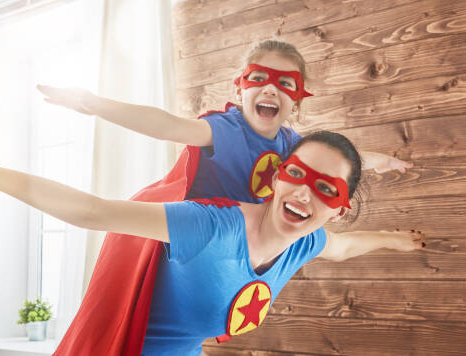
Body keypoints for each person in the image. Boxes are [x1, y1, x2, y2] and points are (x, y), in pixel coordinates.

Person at [0, 131, 425, 356]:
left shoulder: (305, 243)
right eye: (298, 174)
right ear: (278, 174)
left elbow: (349, 247)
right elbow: (92, 211)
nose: (306, 194)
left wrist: (402, 241)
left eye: (326, 189)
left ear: (340, 205)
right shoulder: (211, 227)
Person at [36, 40, 414, 355]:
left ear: (296, 100)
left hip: (239, 250)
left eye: (285, 83)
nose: (270, 89)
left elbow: (340, 165)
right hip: (194, 239)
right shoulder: (225, 130)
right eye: (259, 78)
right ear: (240, 88)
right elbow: (167, 126)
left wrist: (382, 162)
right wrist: (94, 104)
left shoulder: (293, 146)